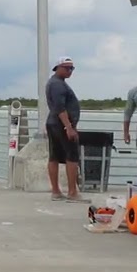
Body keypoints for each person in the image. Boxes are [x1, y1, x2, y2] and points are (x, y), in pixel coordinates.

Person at [44, 56, 88, 203]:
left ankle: (56, 191)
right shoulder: (57, 85)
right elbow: (60, 107)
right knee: (72, 156)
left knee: (54, 156)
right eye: (67, 68)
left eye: (72, 68)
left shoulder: (56, 83)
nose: (70, 71)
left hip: (53, 123)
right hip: (60, 124)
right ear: (58, 68)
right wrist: (68, 127)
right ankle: (72, 192)